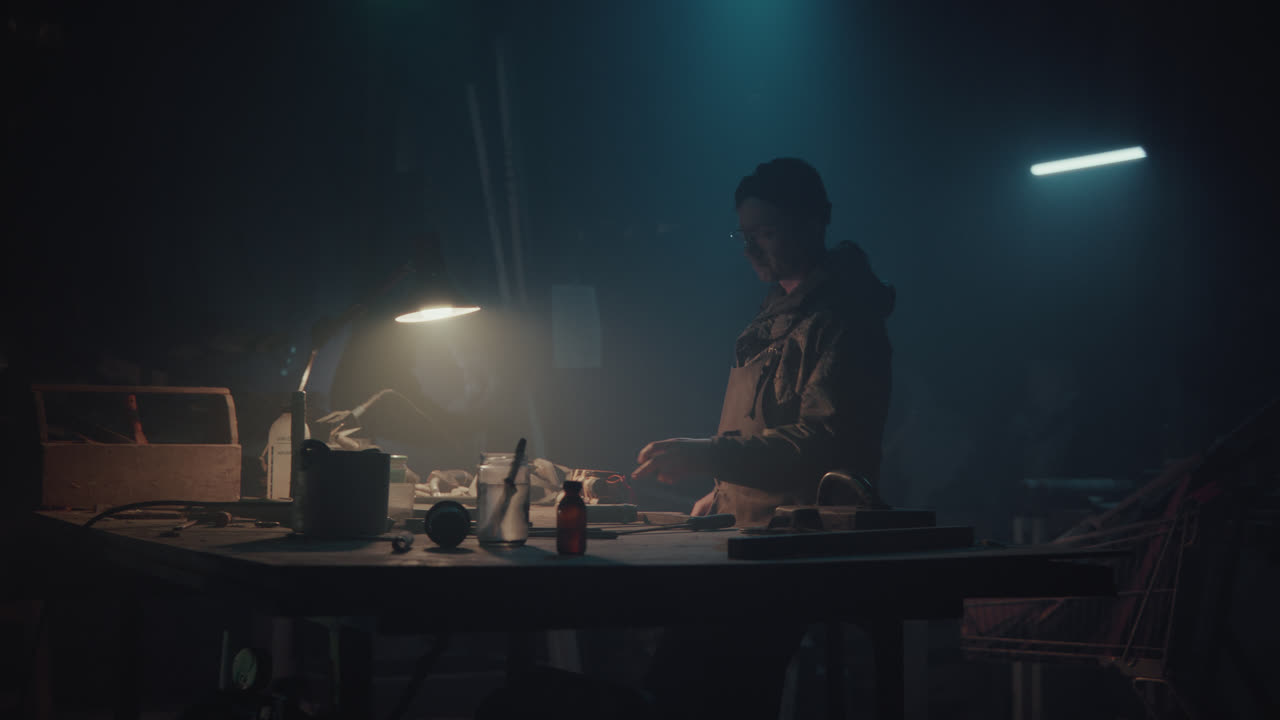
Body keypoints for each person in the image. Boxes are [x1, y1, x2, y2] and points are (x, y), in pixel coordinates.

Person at [631, 157, 896, 719]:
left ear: (815, 222)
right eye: (745, 235)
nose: (751, 250)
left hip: (802, 543)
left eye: (766, 233)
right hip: (751, 531)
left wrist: (708, 456)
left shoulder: (844, 320)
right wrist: (724, 490)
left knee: (716, 680)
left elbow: (821, 443)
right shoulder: (778, 311)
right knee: (677, 668)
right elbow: (760, 425)